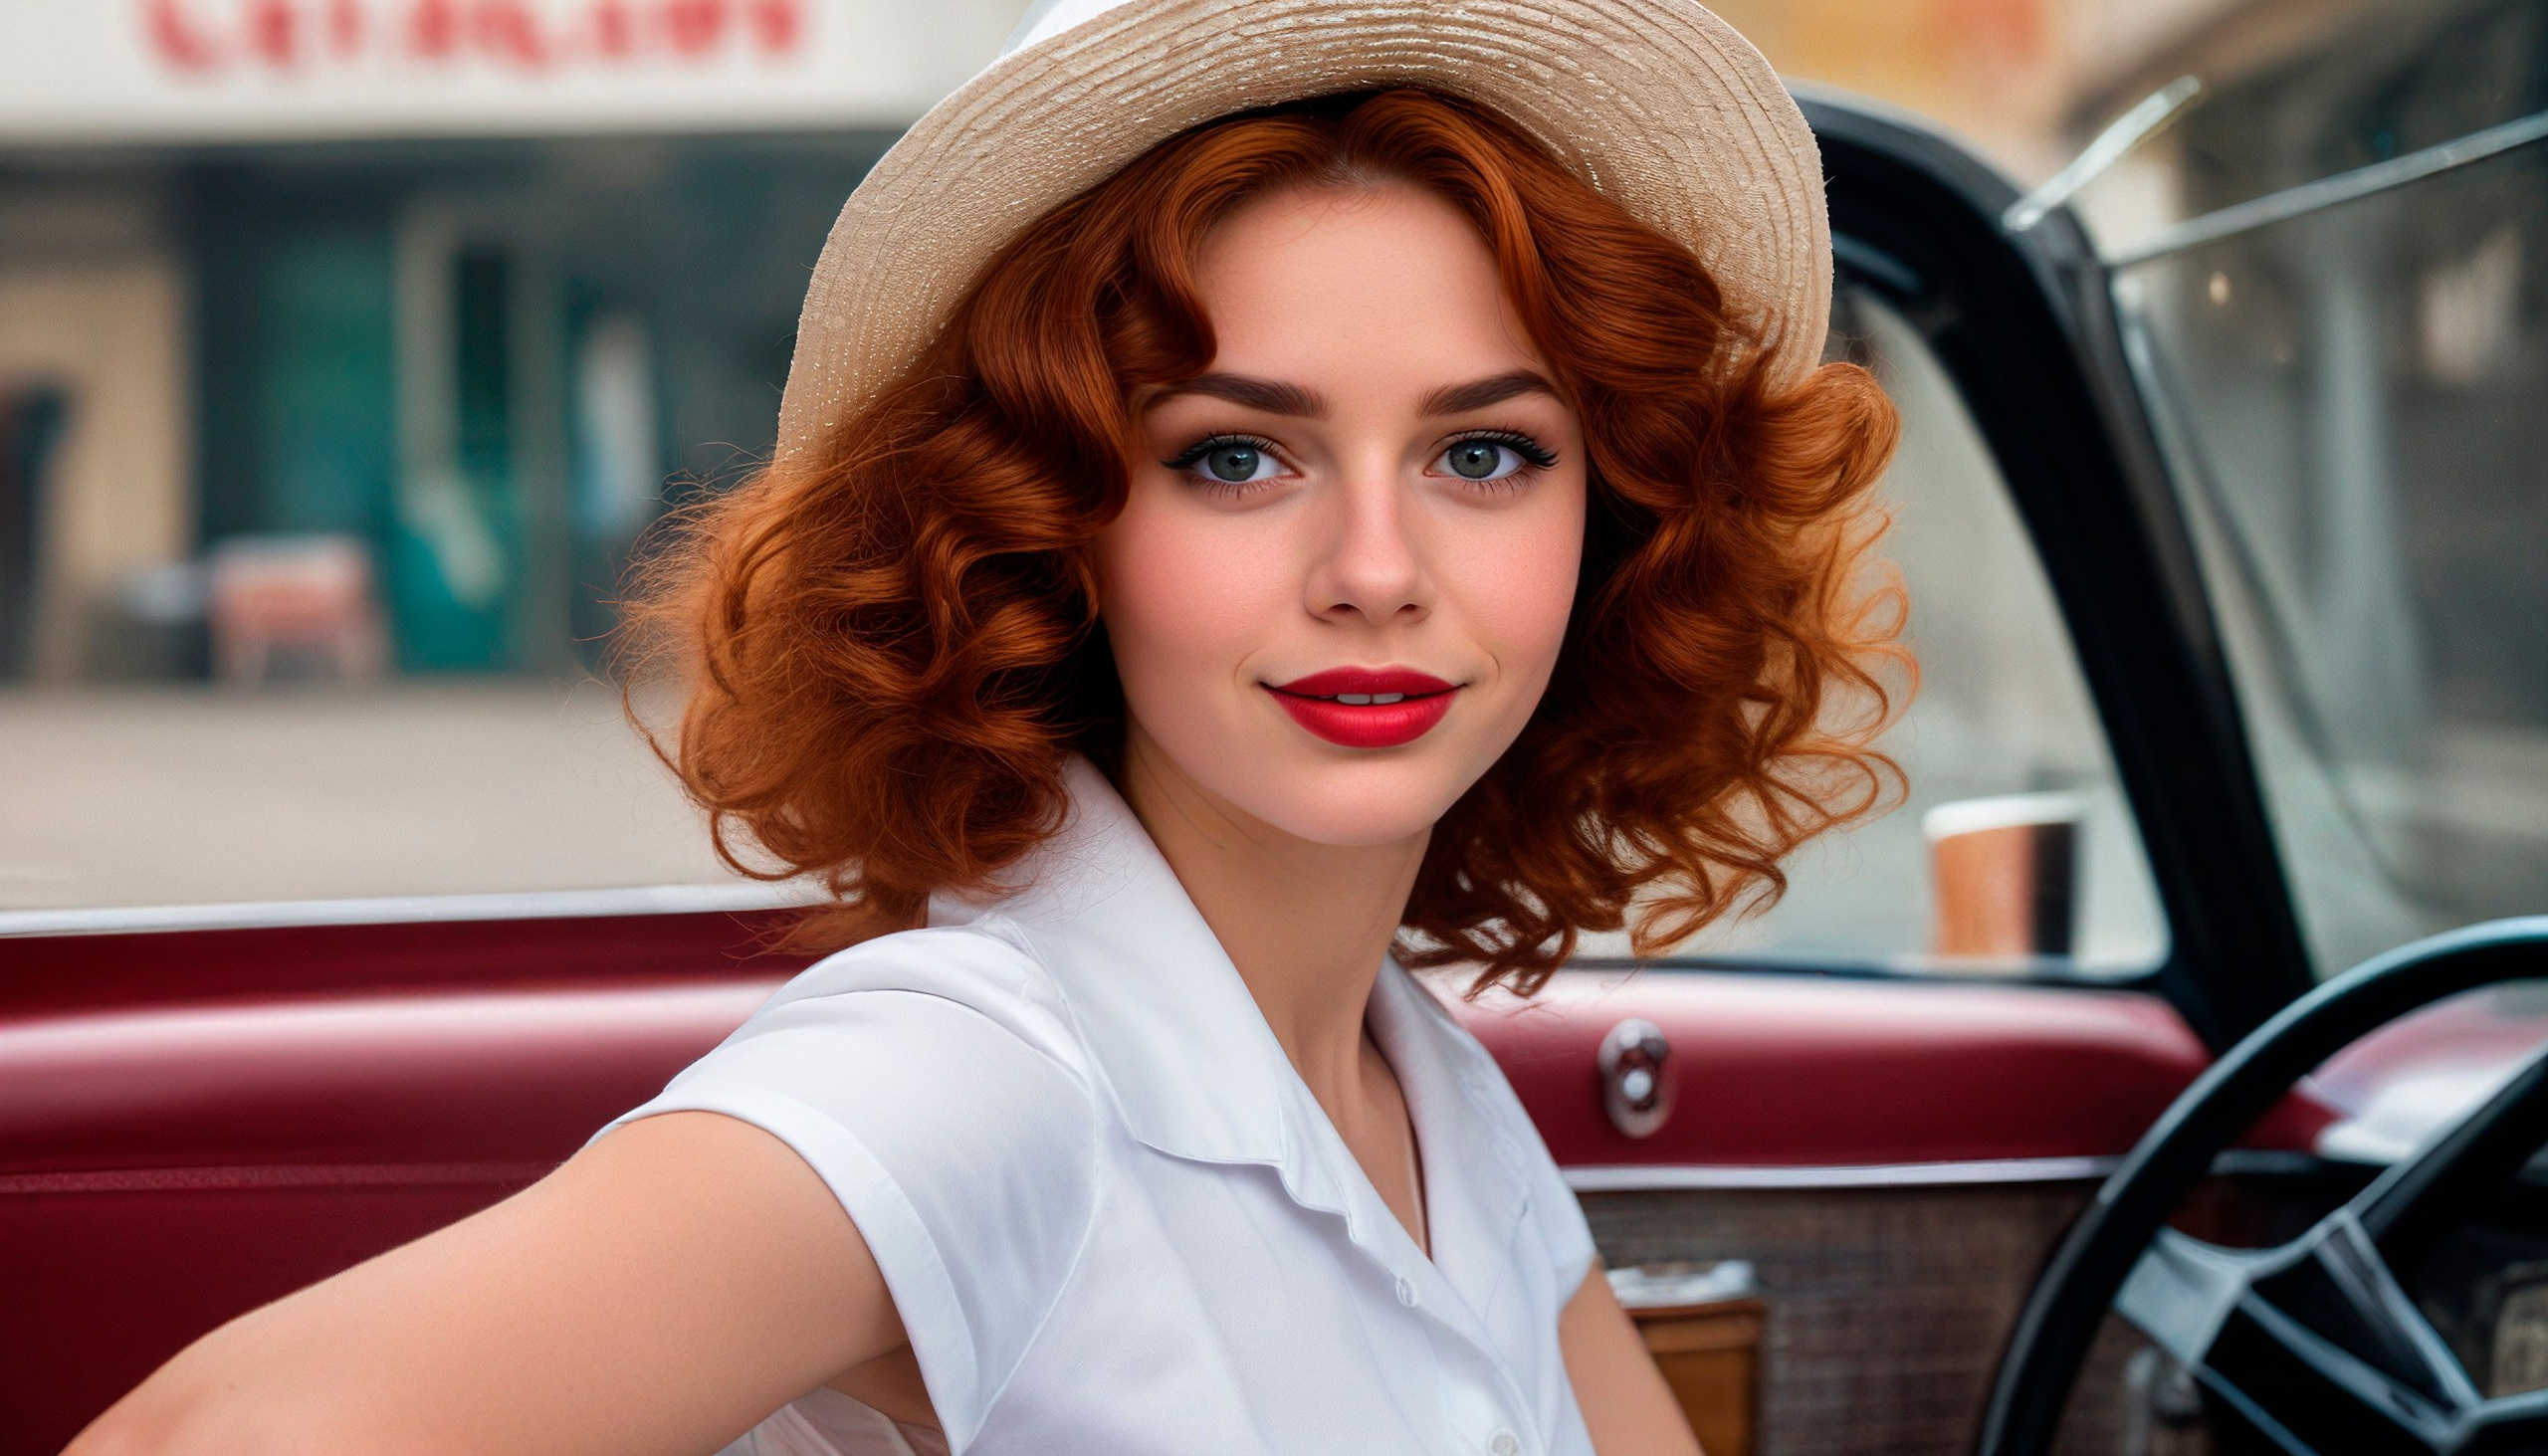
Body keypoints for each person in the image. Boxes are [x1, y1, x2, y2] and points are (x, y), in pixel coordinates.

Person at [68, 1, 1901, 1452]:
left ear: (1620, 526)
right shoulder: (975, 1082)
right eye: (1236, 458)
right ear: (1046, 525)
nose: (1374, 570)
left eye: (1484, 452)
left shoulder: (1426, 1092)